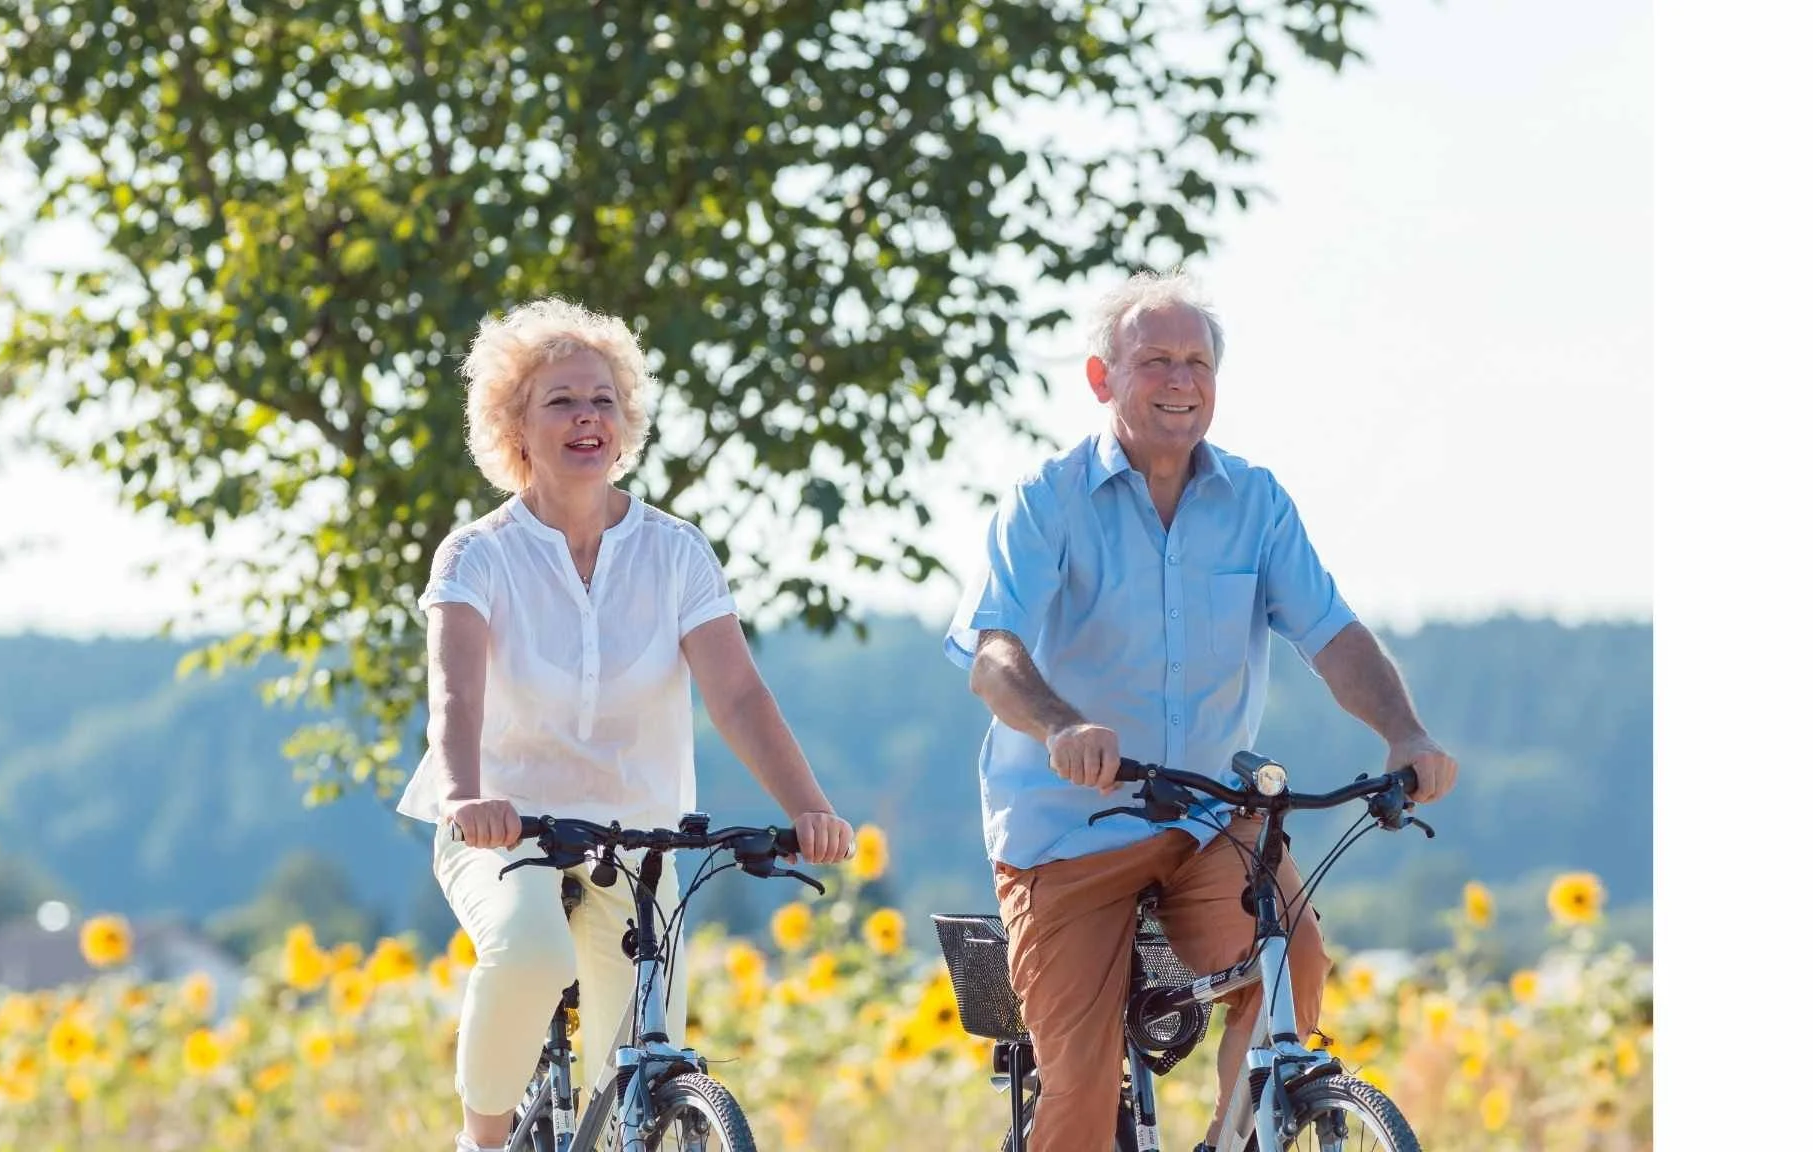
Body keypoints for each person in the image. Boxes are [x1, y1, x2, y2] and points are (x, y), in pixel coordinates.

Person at [942, 271, 1460, 1152]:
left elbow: (1332, 636)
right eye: (1155, 361)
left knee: (1288, 968)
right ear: (1103, 379)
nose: (1180, 381)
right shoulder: (1048, 497)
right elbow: (992, 655)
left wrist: (1403, 733)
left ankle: (1235, 1135)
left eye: (1196, 362)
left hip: (1206, 816)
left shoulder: (1254, 501)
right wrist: (1062, 726)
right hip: (1067, 830)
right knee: (1076, 1102)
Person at [395, 297, 855, 1152]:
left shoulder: (675, 551)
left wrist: (809, 808)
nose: (586, 418)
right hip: (506, 827)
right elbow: (455, 698)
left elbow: (739, 696)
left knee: (637, 1066)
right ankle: (481, 1139)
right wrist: (466, 797)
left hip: (640, 837)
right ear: (516, 425)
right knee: (532, 954)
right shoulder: (476, 555)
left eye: (602, 400)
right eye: (561, 400)